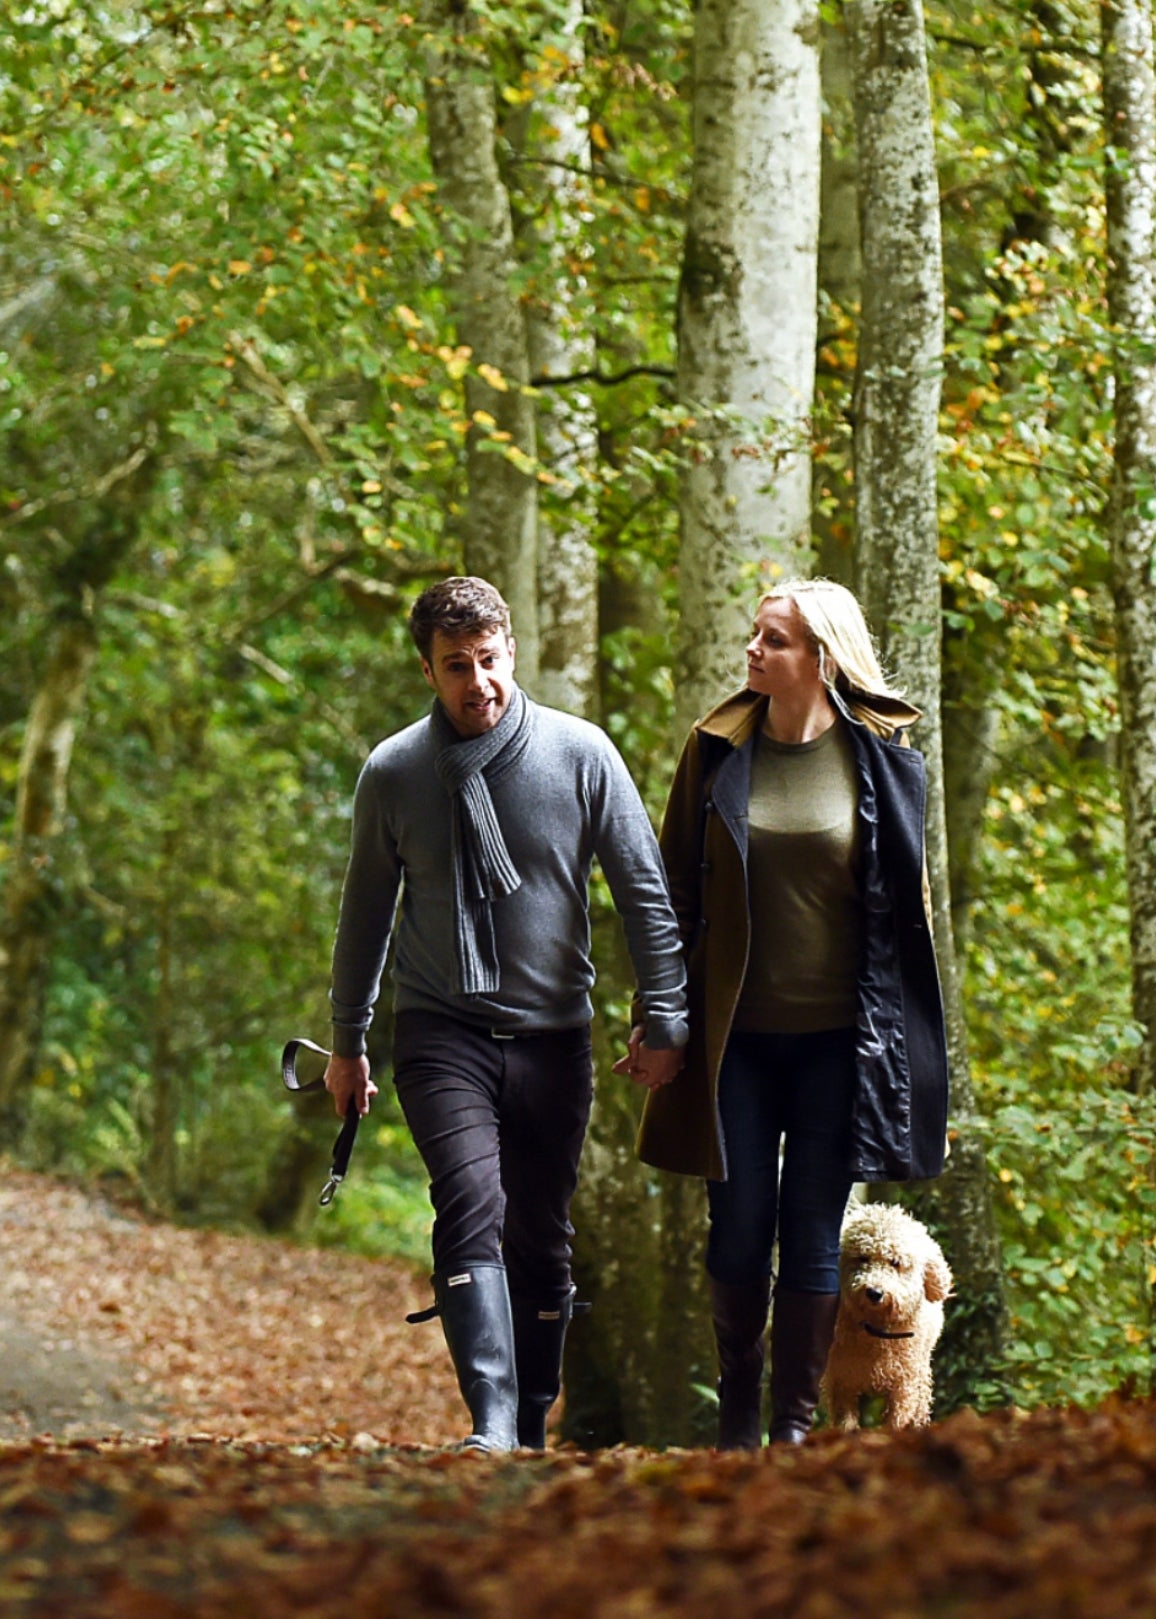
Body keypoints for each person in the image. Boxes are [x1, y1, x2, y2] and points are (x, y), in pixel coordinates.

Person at [324, 577, 690, 1451]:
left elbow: (645, 892)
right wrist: (347, 1042)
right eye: (456, 667)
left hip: (555, 1034)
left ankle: (530, 1418)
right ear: (428, 671)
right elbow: (365, 914)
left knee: (541, 1232)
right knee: (468, 1202)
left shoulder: (580, 753)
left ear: (512, 652)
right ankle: (490, 1419)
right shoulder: (395, 772)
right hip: (438, 1031)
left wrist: (667, 1014)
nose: (476, 682)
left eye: (489, 660)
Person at [629, 580, 952, 1449]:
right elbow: (674, 895)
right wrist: (657, 1019)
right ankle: (739, 1410)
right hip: (736, 1042)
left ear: (820, 658)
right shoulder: (716, 749)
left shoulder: (885, 761)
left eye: (772, 640)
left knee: (813, 1236)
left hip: (841, 1047)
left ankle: (796, 1426)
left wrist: (909, 1055)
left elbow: (907, 915)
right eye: (754, 635)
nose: (753, 650)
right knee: (736, 1235)